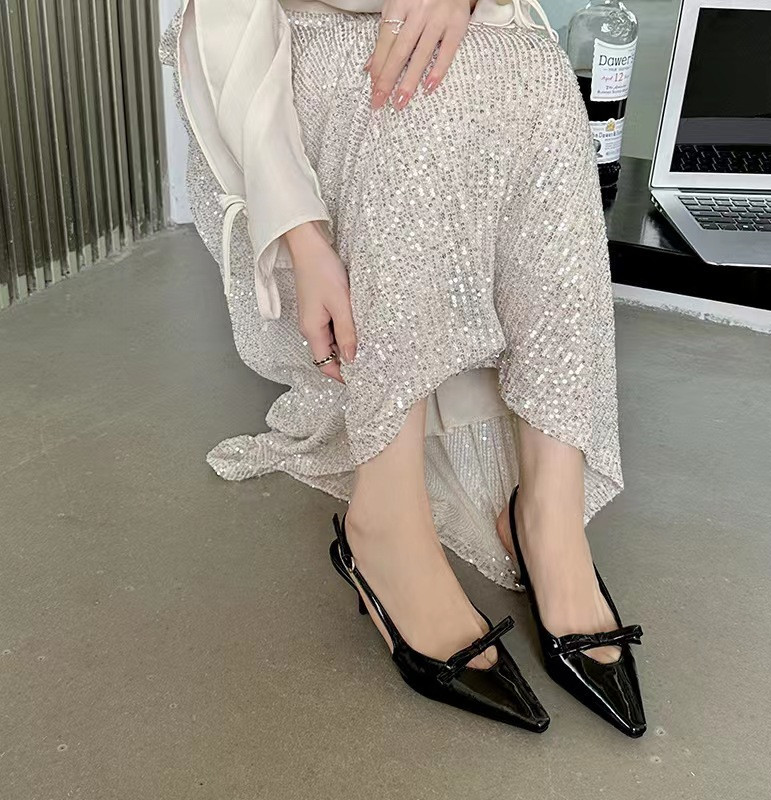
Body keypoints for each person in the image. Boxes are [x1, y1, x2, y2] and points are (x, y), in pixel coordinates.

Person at [161, 0, 646, 737]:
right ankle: (386, 522)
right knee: (407, 92)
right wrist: (302, 238)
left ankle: (548, 510)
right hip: (296, 45)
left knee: (540, 77)